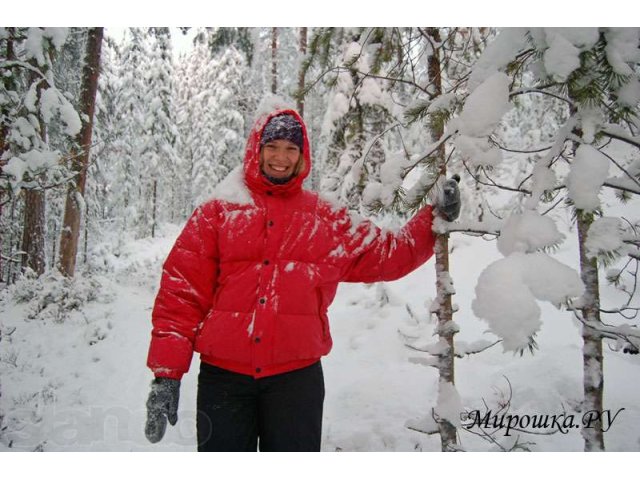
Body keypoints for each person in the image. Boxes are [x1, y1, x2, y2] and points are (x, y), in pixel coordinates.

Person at [144, 108, 461, 451]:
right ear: (257, 149)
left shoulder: (324, 218)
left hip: (295, 381)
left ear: (302, 155)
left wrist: (434, 216)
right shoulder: (218, 213)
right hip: (225, 380)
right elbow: (180, 294)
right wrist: (166, 374)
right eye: (273, 146)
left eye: (291, 149)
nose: (281, 157)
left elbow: (388, 254)